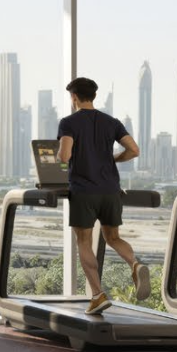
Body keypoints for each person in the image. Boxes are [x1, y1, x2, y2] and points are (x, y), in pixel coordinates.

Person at [55, 77, 149, 315]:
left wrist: (60, 155)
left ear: (74, 97)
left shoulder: (68, 122)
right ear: (93, 96)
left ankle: (97, 295)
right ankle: (135, 264)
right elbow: (134, 150)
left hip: (84, 192)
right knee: (113, 237)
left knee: (84, 242)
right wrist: (112, 159)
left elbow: (64, 156)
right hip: (110, 190)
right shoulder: (111, 122)